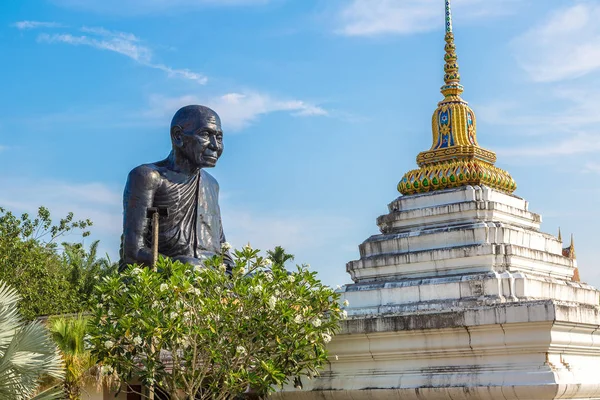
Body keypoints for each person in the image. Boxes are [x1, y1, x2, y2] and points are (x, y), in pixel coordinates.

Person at [120, 105, 232, 270]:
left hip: (208, 276)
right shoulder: (149, 177)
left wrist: (234, 273)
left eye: (219, 137)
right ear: (178, 136)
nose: (215, 145)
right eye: (205, 135)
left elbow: (221, 246)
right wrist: (178, 266)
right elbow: (133, 252)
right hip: (166, 275)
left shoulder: (211, 185)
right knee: (190, 268)